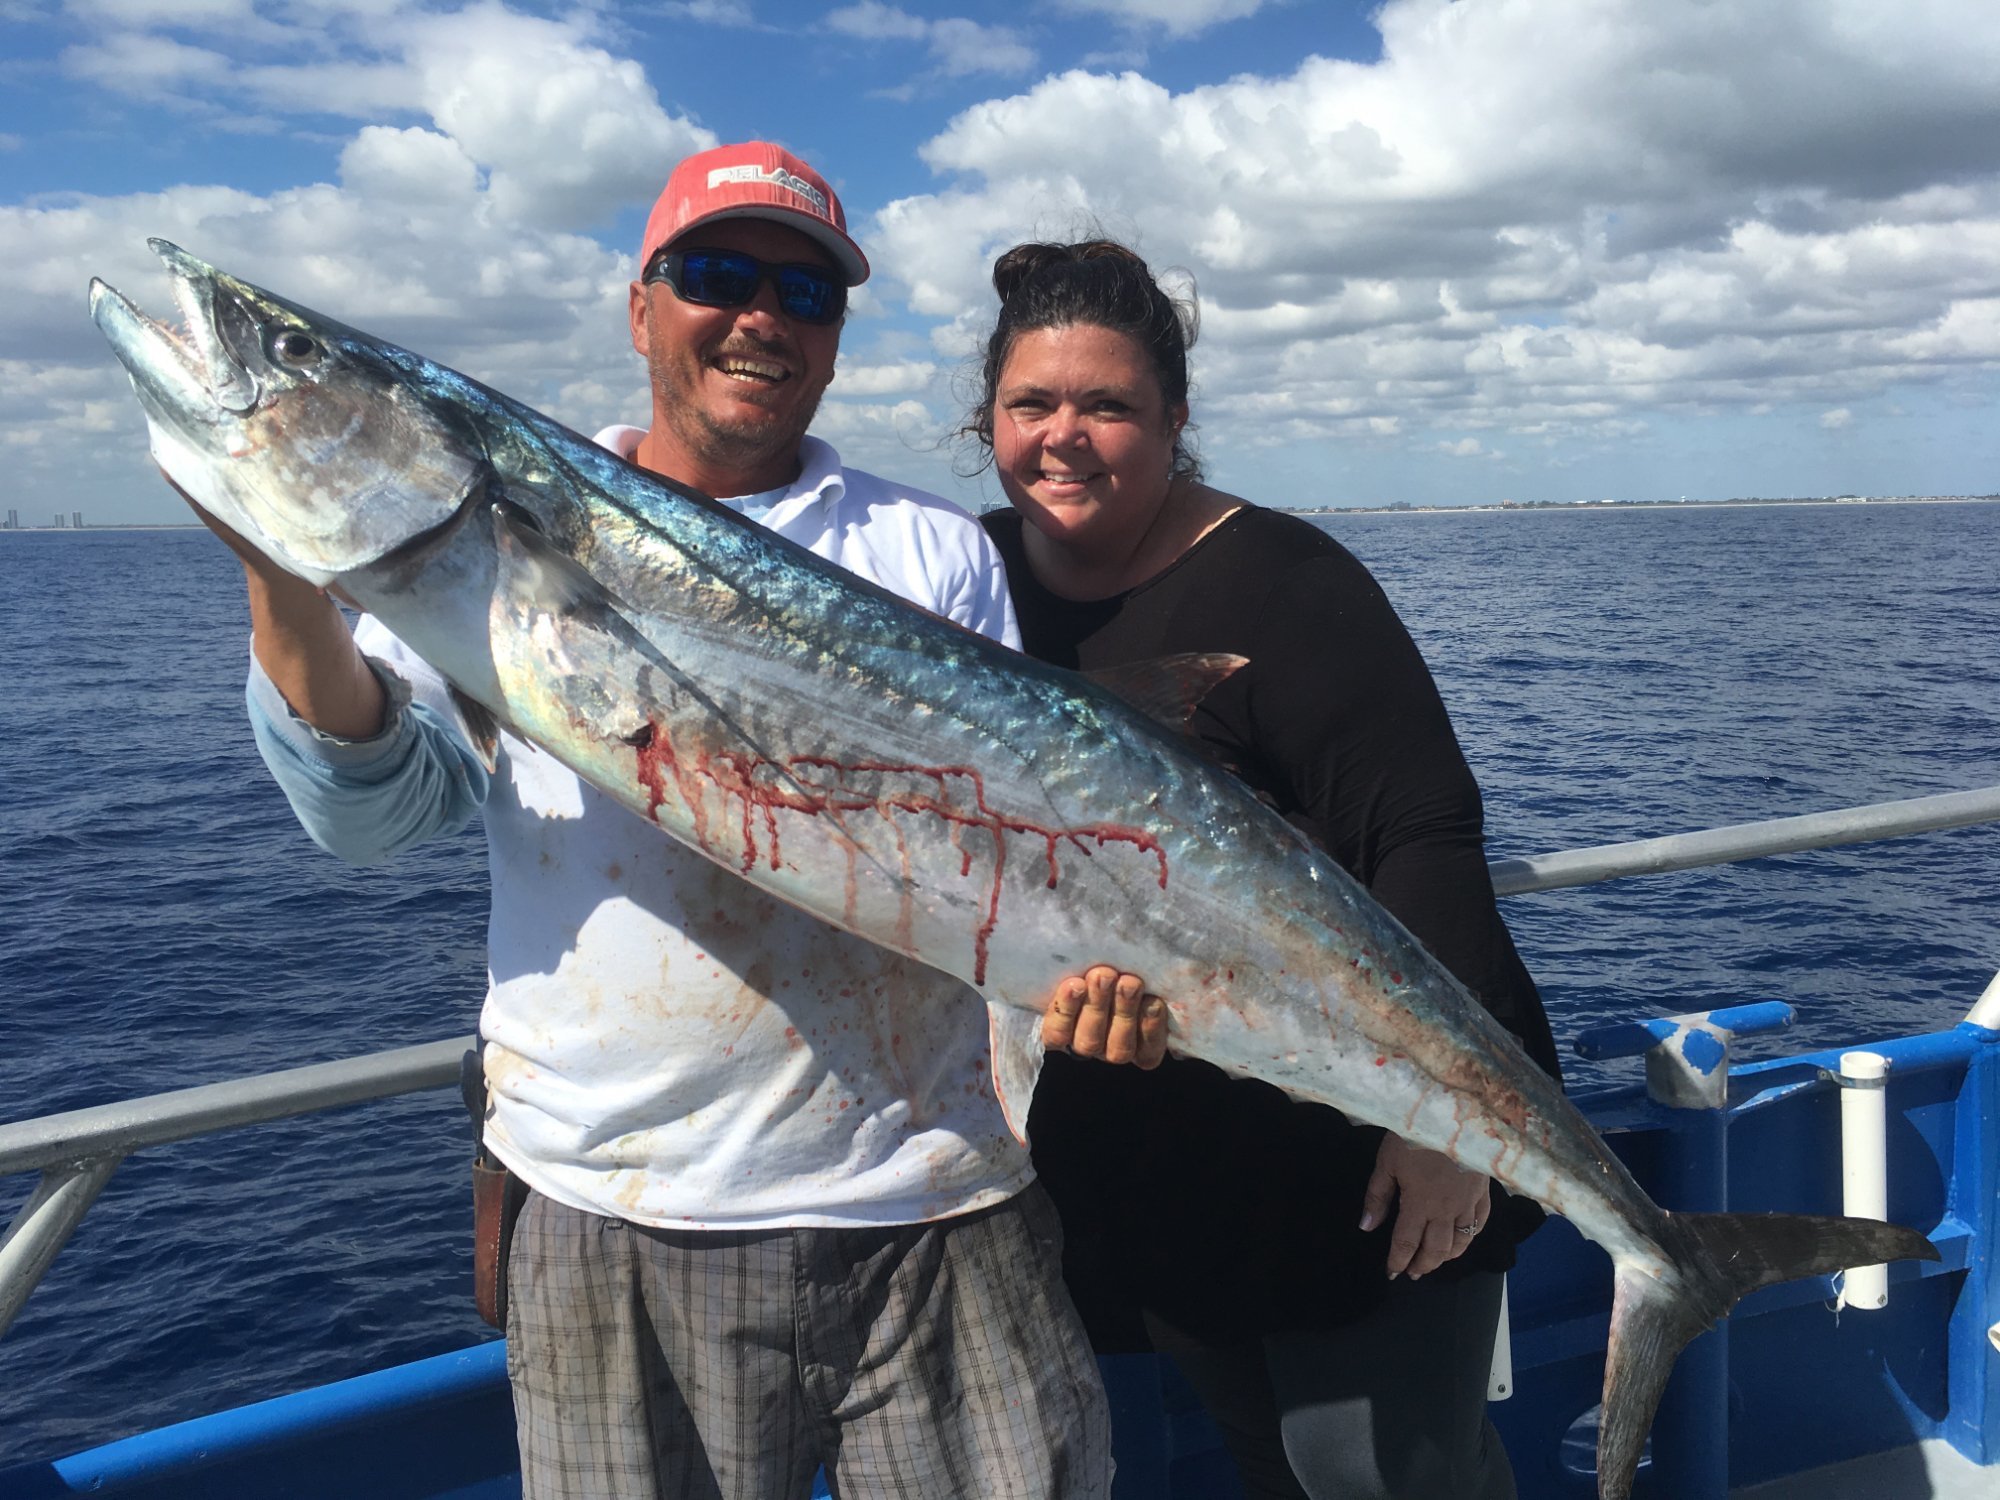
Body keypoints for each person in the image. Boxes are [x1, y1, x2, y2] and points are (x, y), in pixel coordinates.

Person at [188, 145, 1153, 1500]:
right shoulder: (471, 540)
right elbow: (374, 814)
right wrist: (284, 582)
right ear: (641, 308)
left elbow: (1005, 851)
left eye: (805, 294)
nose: (762, 317)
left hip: (933, 1197)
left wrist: (1083, 987)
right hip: (613, 1206)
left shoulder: (933, 551)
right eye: (716, 276)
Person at [963, 238, 1565, 1500]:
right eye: (1032, 404)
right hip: (1167, 1141)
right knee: (1266, 1452)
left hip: (1359, 1134)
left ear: (1175, 419)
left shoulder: (1288, 586)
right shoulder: (971, 580)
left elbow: (1424, 840)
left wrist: (1444, 1120)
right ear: (987, 419)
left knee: (1381, 1475)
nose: (1064, 436)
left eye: (1108, 405)